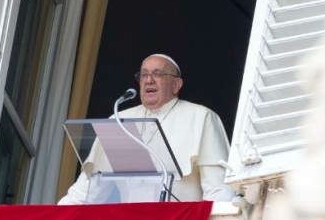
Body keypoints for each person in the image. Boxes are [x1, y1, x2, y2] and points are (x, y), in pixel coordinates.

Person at [58, 53, 237, 204]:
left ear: (176, 85)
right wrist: (55, 215)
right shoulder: (120, 120)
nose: (148, 80)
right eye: (143, 75)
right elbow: (89, 189)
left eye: (158, 74)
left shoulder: (201, 117)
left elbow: (217, 189)